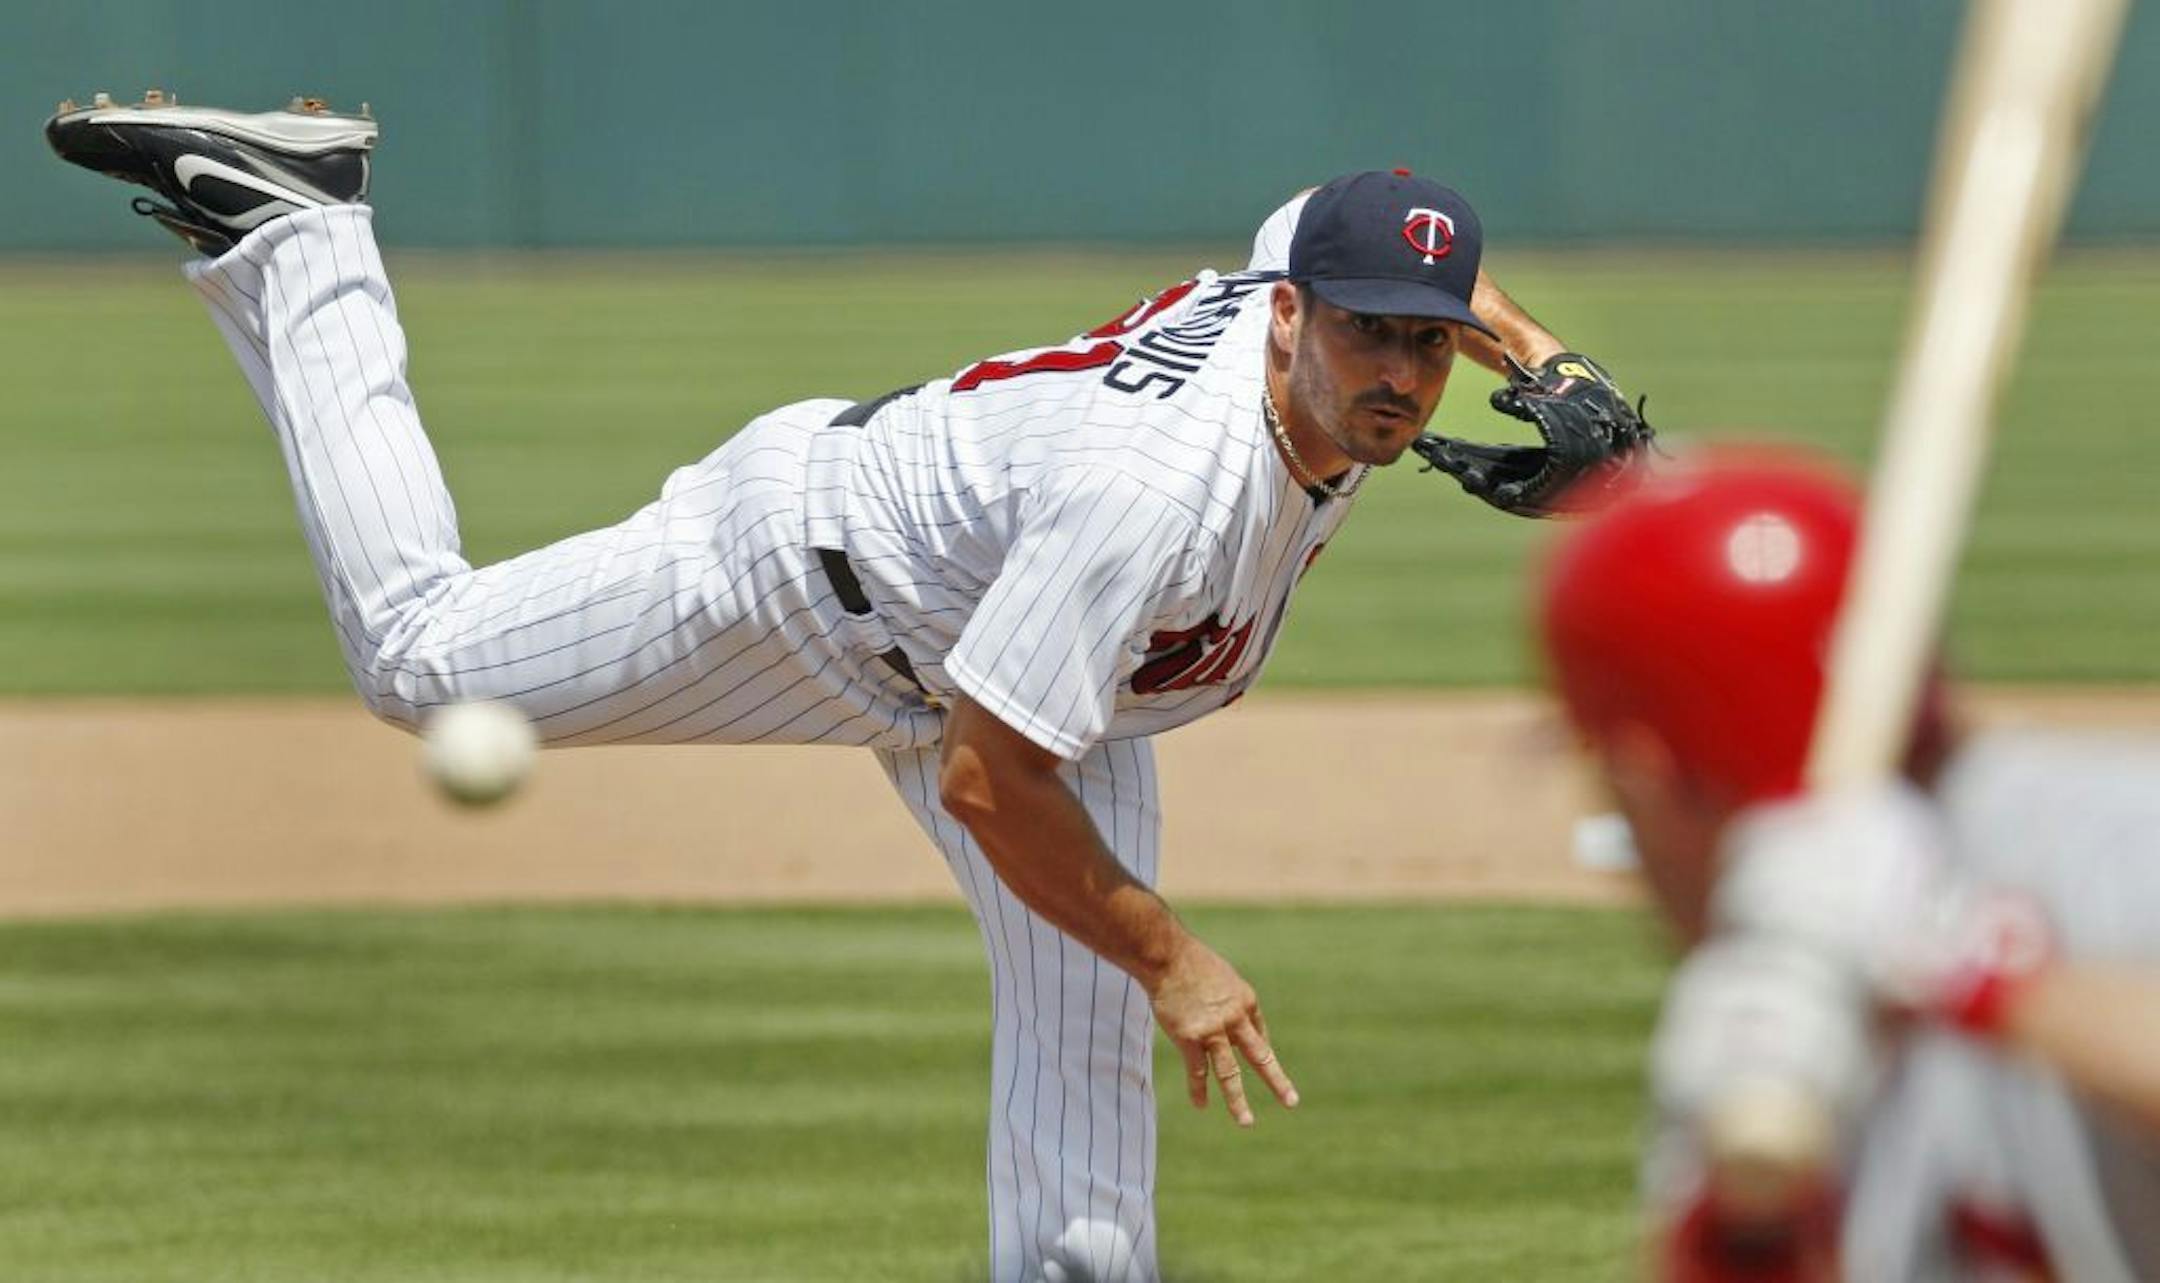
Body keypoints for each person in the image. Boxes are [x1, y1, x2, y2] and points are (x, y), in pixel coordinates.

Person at [46, 91, 1651, 1281]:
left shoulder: (1306, 310)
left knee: (1082, 1048)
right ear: (1290, 316)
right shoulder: (1159, 491)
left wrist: (1541, 356)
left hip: (1029, 654)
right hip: (802, 579)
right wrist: (1179, 955)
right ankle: (306, 232)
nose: (1402, 373)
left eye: (1426, 343)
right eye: (1370, 333)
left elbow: (1340, 220)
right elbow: (988, 777)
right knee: (419, 656)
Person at [1534, 449, 2160, 1281]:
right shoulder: (1767, 1003)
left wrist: (1970, 971)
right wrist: (1742, 1234)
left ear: (1648, 771)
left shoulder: (2118, 844)